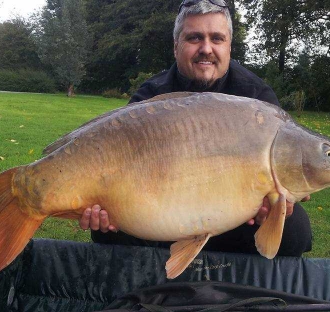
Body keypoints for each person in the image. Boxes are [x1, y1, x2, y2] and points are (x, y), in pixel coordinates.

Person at [79, 0, 312, 256]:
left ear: (229, 46)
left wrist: (278, 206)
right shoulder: (150, 97)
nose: (206, 48)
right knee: (107, 233)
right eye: (194, 38)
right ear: (176, 46)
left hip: (235, 219)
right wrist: (105, 212)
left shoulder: (255, 96)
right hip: (160, 217)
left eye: (217, 39)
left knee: (296, 233)